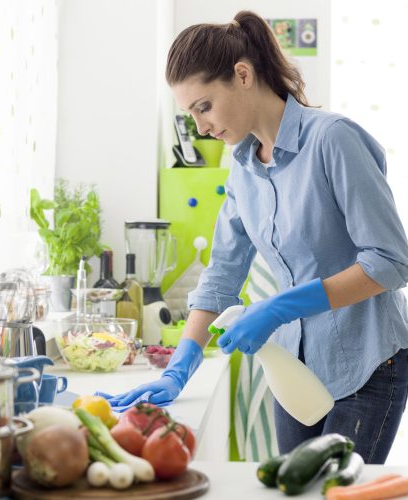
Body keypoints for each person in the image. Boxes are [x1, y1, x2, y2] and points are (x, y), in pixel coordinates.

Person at [100, 10, 408, 464]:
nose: (201, 127)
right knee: (291, 490)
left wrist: (281, 306)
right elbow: (222, 274)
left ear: (242, 75)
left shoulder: (332, 140)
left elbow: (390, 261)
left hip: (366, 366)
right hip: (294, 371)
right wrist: (180, 366)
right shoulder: (242, 168)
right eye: (192, 114)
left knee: (337, 496)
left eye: (204, 106)